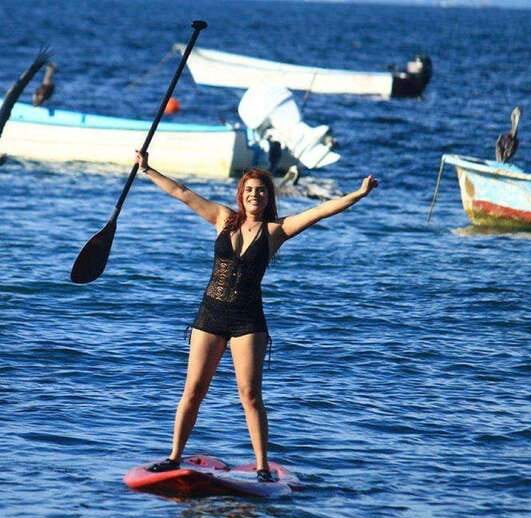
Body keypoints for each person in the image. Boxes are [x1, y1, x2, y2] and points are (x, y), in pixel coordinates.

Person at [135, 150, 378, 482]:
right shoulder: (222, 218)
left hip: (247, 321)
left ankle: (262, 467)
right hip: (210, 315)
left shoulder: (276, 231)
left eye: (261, 191)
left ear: (268, 197)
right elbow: (182, 192)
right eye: (249, 190)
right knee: (193, 389)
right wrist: (147, 169)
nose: (254, 195)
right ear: (241, 194)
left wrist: (358, 194)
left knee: (249, 394)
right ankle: (174, 457)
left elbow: (321, 211)